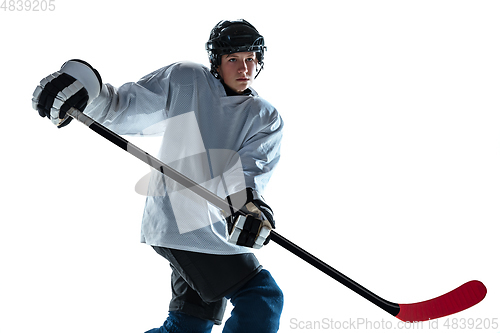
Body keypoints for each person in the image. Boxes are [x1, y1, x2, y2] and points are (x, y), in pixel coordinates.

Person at [32, 19, 284, 332]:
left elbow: (249, 172)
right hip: (181, 223)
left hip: (216, 228)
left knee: (189, 326)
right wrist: (87, 93)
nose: (243, 68)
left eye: (251, 60)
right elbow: (126, 107)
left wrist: (247, 206)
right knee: (261, 296)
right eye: (233, 59)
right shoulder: (188, 80)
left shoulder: (265, 116)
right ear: (217, 63)